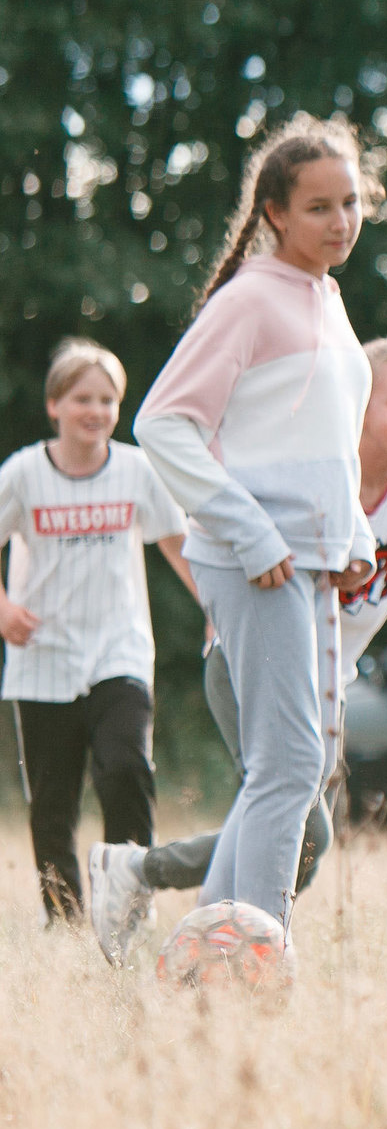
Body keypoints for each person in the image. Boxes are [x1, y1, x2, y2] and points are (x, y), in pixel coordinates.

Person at [87, 336, 387, 963]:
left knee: (303, 839)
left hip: (327, 681)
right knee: (297, 822)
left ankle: (186, 911)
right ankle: (203, 926)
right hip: (249, 661)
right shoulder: (314, 476)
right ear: (357, 404)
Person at [132, 114, 381, 984]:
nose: (340, 221)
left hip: (309, 559)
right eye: (319, 207)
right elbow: (162, 424)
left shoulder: (327, 297)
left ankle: (213, 956)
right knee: (291, 764)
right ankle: (257, 962)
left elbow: (326, 438)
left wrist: (351, 536)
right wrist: (251, 530)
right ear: (273, 211)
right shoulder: (248, 298)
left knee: (284, 767)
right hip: (254, 559)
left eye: (351, 202)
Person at [0, 340, 191, 921]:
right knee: (52, 804)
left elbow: (178, 544)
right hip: (43, 656)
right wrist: (3, 608)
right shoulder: (24, 473)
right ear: (54, 404)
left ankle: (128, 908)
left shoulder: (135, 469)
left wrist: (218, 608)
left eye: (107, 400)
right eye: (82, 398)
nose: (96, 410)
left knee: (127, 769)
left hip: (118, 649)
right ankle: (65, 921)